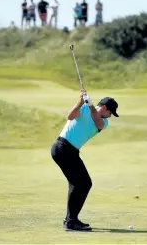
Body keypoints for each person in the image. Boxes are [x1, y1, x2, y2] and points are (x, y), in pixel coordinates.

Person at [51, 90, 119, 231]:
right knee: (82, 183)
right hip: (62, 147)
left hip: (70, 152)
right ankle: (71, 222)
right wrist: (81, 102)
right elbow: (70, 116)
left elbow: (97, 122)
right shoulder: (83, 108)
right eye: (110, 113)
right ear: (105, 108)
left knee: (80, 183)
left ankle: (70, 221)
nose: (110, 116)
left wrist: (91, 105)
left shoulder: (103, 122)